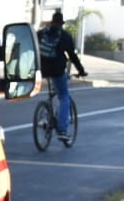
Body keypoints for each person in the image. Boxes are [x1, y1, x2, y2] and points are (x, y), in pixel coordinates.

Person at [38, 9, 88, 140]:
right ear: (61, 23)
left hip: (42, 69)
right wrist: (81, 71)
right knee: (64, 97)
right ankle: (62, 130)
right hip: (57, 71)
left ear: (51, 22)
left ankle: (44, 117)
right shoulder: (65, 36)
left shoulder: (41, 33)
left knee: (53, 93)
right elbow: (72, 56)